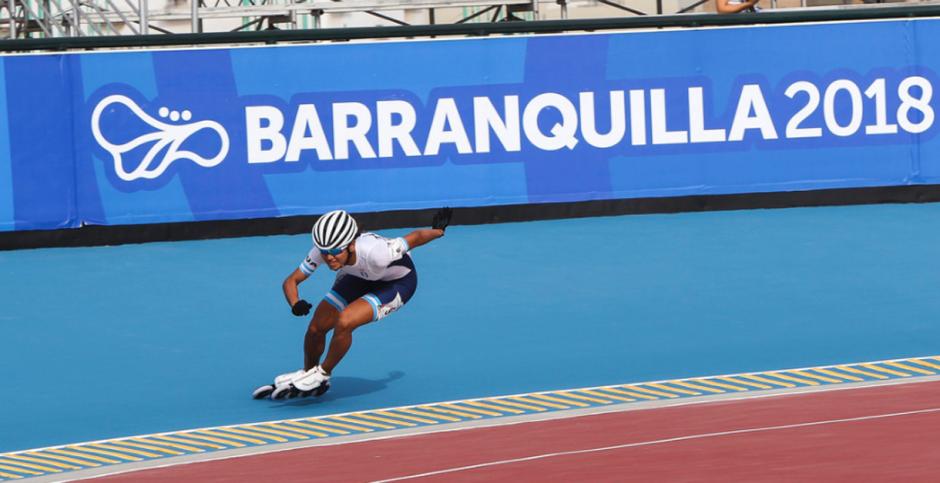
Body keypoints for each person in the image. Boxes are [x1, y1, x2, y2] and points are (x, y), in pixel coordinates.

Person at [265, 207, 452, 399]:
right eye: (324, 251)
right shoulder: (324, 250)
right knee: (316, 327)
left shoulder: (377, 253)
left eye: (335, 251)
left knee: (345, 321)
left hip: (397, 282)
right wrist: (295, 303)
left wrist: (438, 231)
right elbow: (291, 281)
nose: (329, 257)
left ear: (351, 245)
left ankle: (322, 374)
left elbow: (415, 237)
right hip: (359, 276)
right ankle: (308, 373)